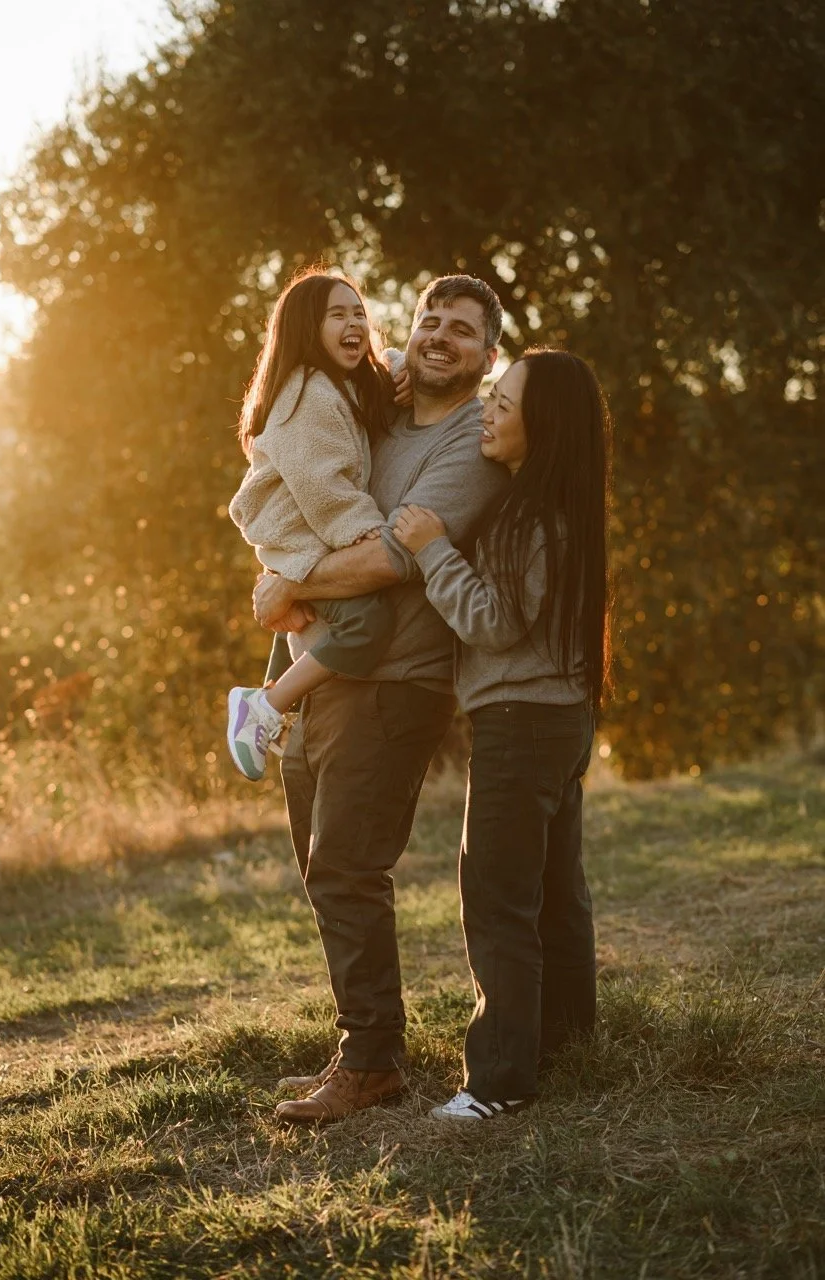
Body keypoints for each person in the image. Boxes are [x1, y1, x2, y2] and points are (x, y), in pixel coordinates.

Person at [252, 275, 510, 1123]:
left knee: (347, 867)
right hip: (325, 667)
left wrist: (285, 577)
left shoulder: (472, 442)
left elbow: (390, 562)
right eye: (428, 320)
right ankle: (360, 1047)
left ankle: (371, 1064)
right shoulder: (386, 400)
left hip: (395, 680)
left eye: (461, 331)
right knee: (322, 870)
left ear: (487, 354)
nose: (438, 337)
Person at [393, 348, 612, 1121]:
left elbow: (490, 621)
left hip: (520, 722)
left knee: (495, 898)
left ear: (540, 426)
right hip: (559, 719)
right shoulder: (560, 509)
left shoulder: (526, 519)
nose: (487, 410)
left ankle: (499, 1083)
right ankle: (567, 1042)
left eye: (504, 404)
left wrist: (429, 551)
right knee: (555, 891)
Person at [226, 269, 400, 781]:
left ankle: (274, 706)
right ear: (307, 328)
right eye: (337, 315)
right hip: (301, 533)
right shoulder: (309, 395)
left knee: (304, 624)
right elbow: (324, 484)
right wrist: (364, 529)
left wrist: (397, 364)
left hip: (303, 534)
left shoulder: (337, 385)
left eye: (359, 313)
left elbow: (382, 370)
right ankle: (263, 705)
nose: (355, 324)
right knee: (366, 622)